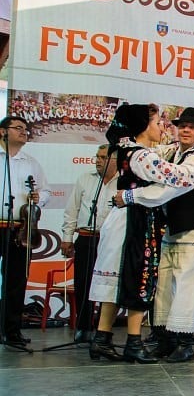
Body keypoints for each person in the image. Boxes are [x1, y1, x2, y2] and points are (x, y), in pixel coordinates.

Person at [88, 104, 194, 363]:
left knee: (184, 285)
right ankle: (158, 339)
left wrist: (131, 195)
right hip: (158, 227)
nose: (184, 130)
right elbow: (157, 166)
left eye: (192, 127)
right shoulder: (161, 152)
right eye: (181, 126)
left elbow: (173, 187)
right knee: (157, 284)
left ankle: (182, 341)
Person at [0, 116, 50, 349]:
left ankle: (11, 331)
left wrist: (38, 200)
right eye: (18, 128)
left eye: (25, 129)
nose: (24, 132)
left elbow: (46, 191)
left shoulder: (31, 163)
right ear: (3, 131)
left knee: (16, 281)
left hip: (19, 229)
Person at [61, 144, 118, 342]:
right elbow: (72, 210)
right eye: (97, 156)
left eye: (103, 157)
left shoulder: (124, 183)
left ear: (116, 161)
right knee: (83, 284)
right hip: (86, 238)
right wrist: (67, 238)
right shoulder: (85, 179)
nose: (98, 161)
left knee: (108, 285)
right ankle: (83, 327)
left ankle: (103, 329)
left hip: (111, 242)